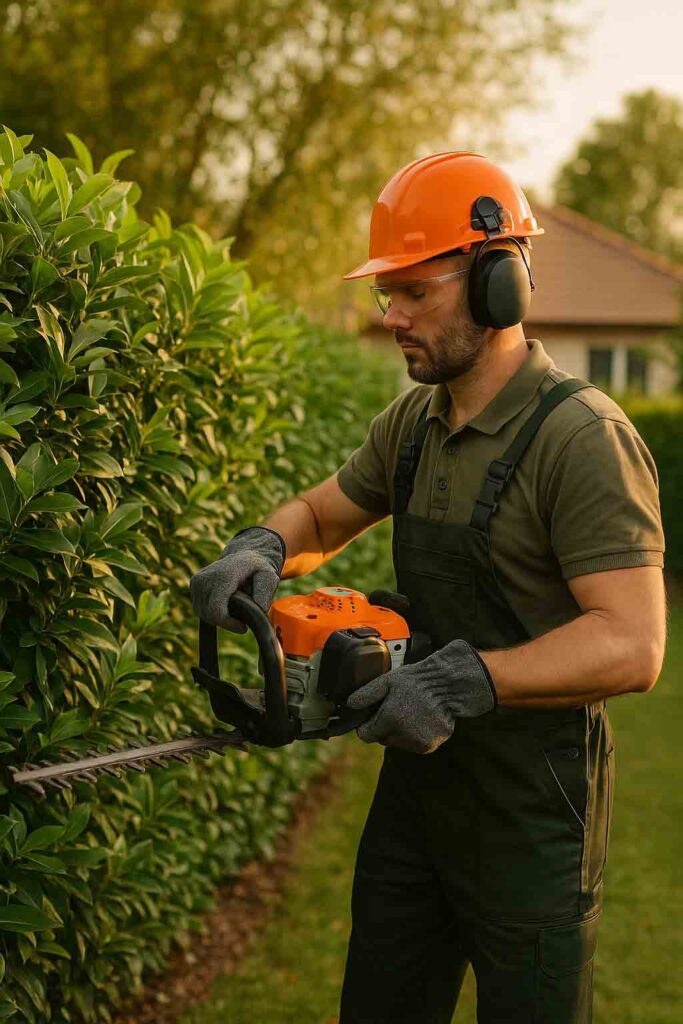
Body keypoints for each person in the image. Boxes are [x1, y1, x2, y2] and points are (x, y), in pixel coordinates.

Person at [189, 152, 666, 1024]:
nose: (393, 317)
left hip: (533, 812)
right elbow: (324, 517)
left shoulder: (580, 437)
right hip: (417, 793)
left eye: (414, 291)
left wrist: (466, 679)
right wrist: (263, 545)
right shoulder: (414, 421)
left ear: (498, 284)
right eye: (386, 293)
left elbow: (632, 643)